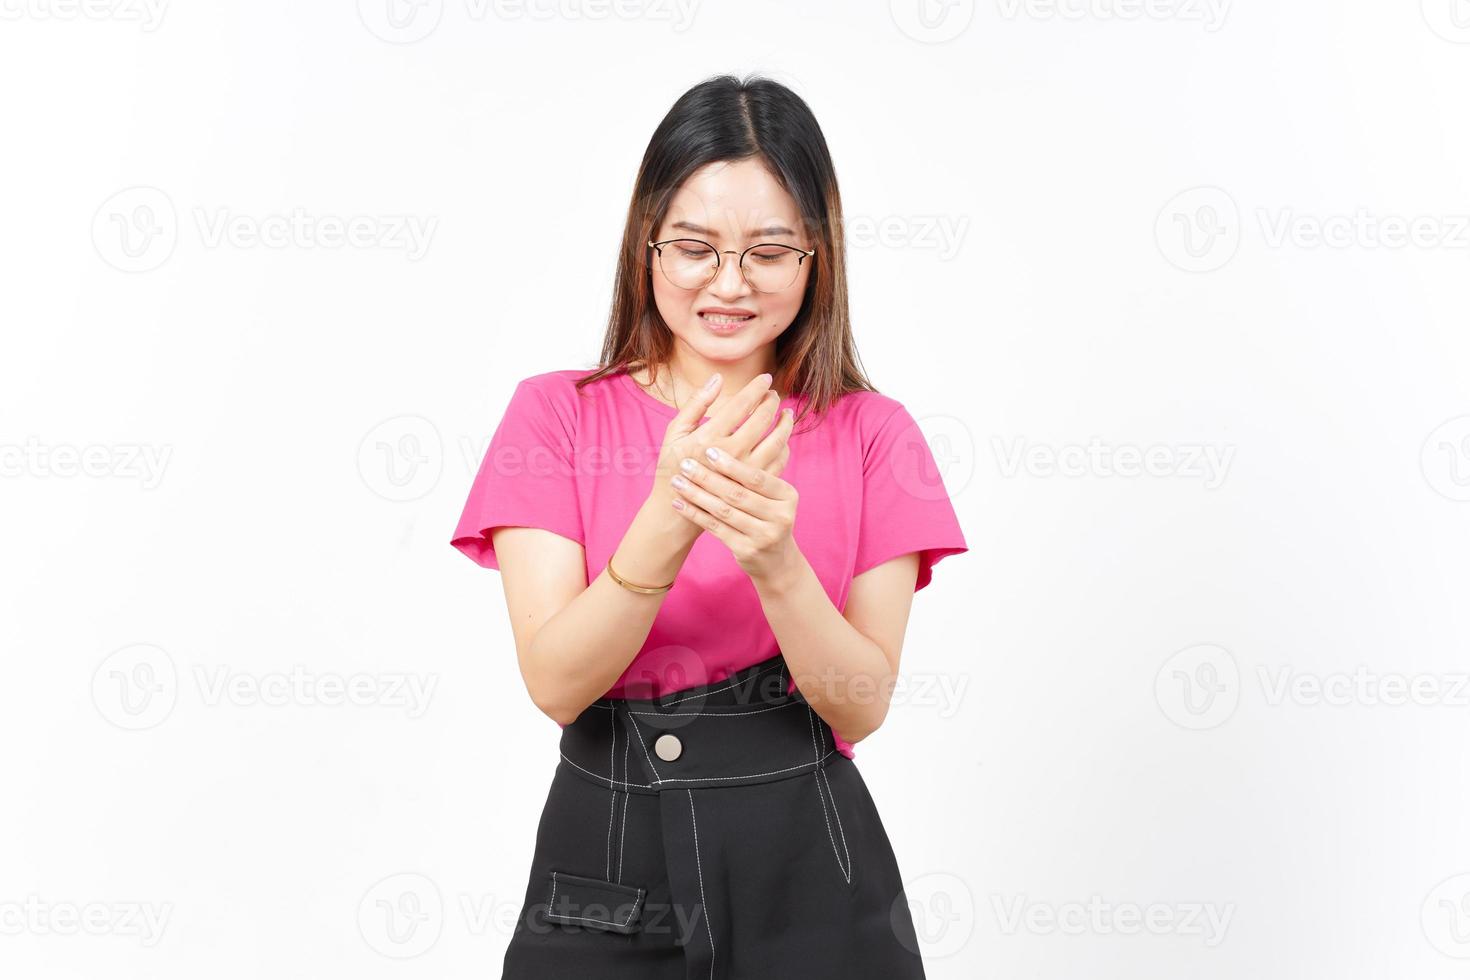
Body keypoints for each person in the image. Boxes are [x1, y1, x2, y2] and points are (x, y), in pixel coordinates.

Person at [450, 72, 968, 980]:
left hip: (814, 868)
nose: (730, 284)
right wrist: (666, 520)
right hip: (603, 858)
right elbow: (557, 683)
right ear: (645, 247)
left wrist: (777, 561)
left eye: (769, 252)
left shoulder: (874, 434)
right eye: (694, 248)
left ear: (817, 257)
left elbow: (861, 702)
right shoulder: (553, 417)